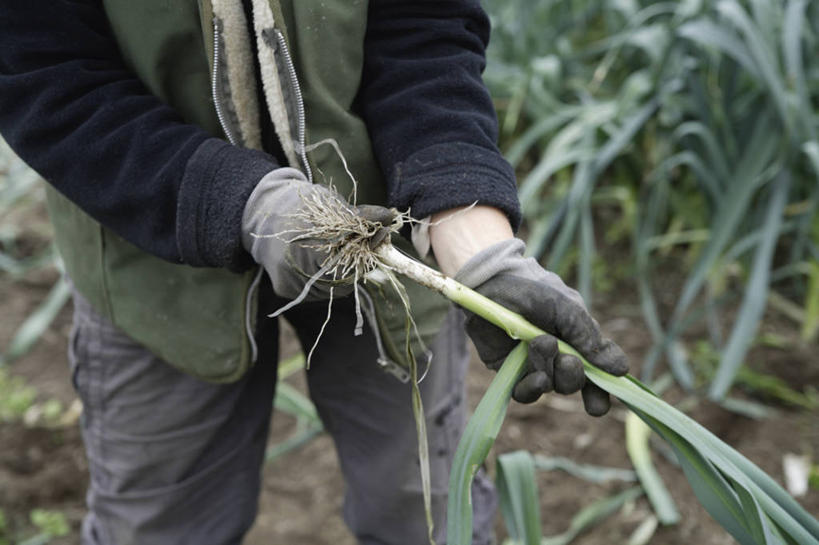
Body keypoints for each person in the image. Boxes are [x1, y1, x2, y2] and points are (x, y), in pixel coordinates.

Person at [0, 1, 628, 544]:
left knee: (425, 508)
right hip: (149, 250)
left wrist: (478, 245)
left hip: (383, 236)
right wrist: (243, 203)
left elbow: (423, 28)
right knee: (160, 523)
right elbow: (43, 71)